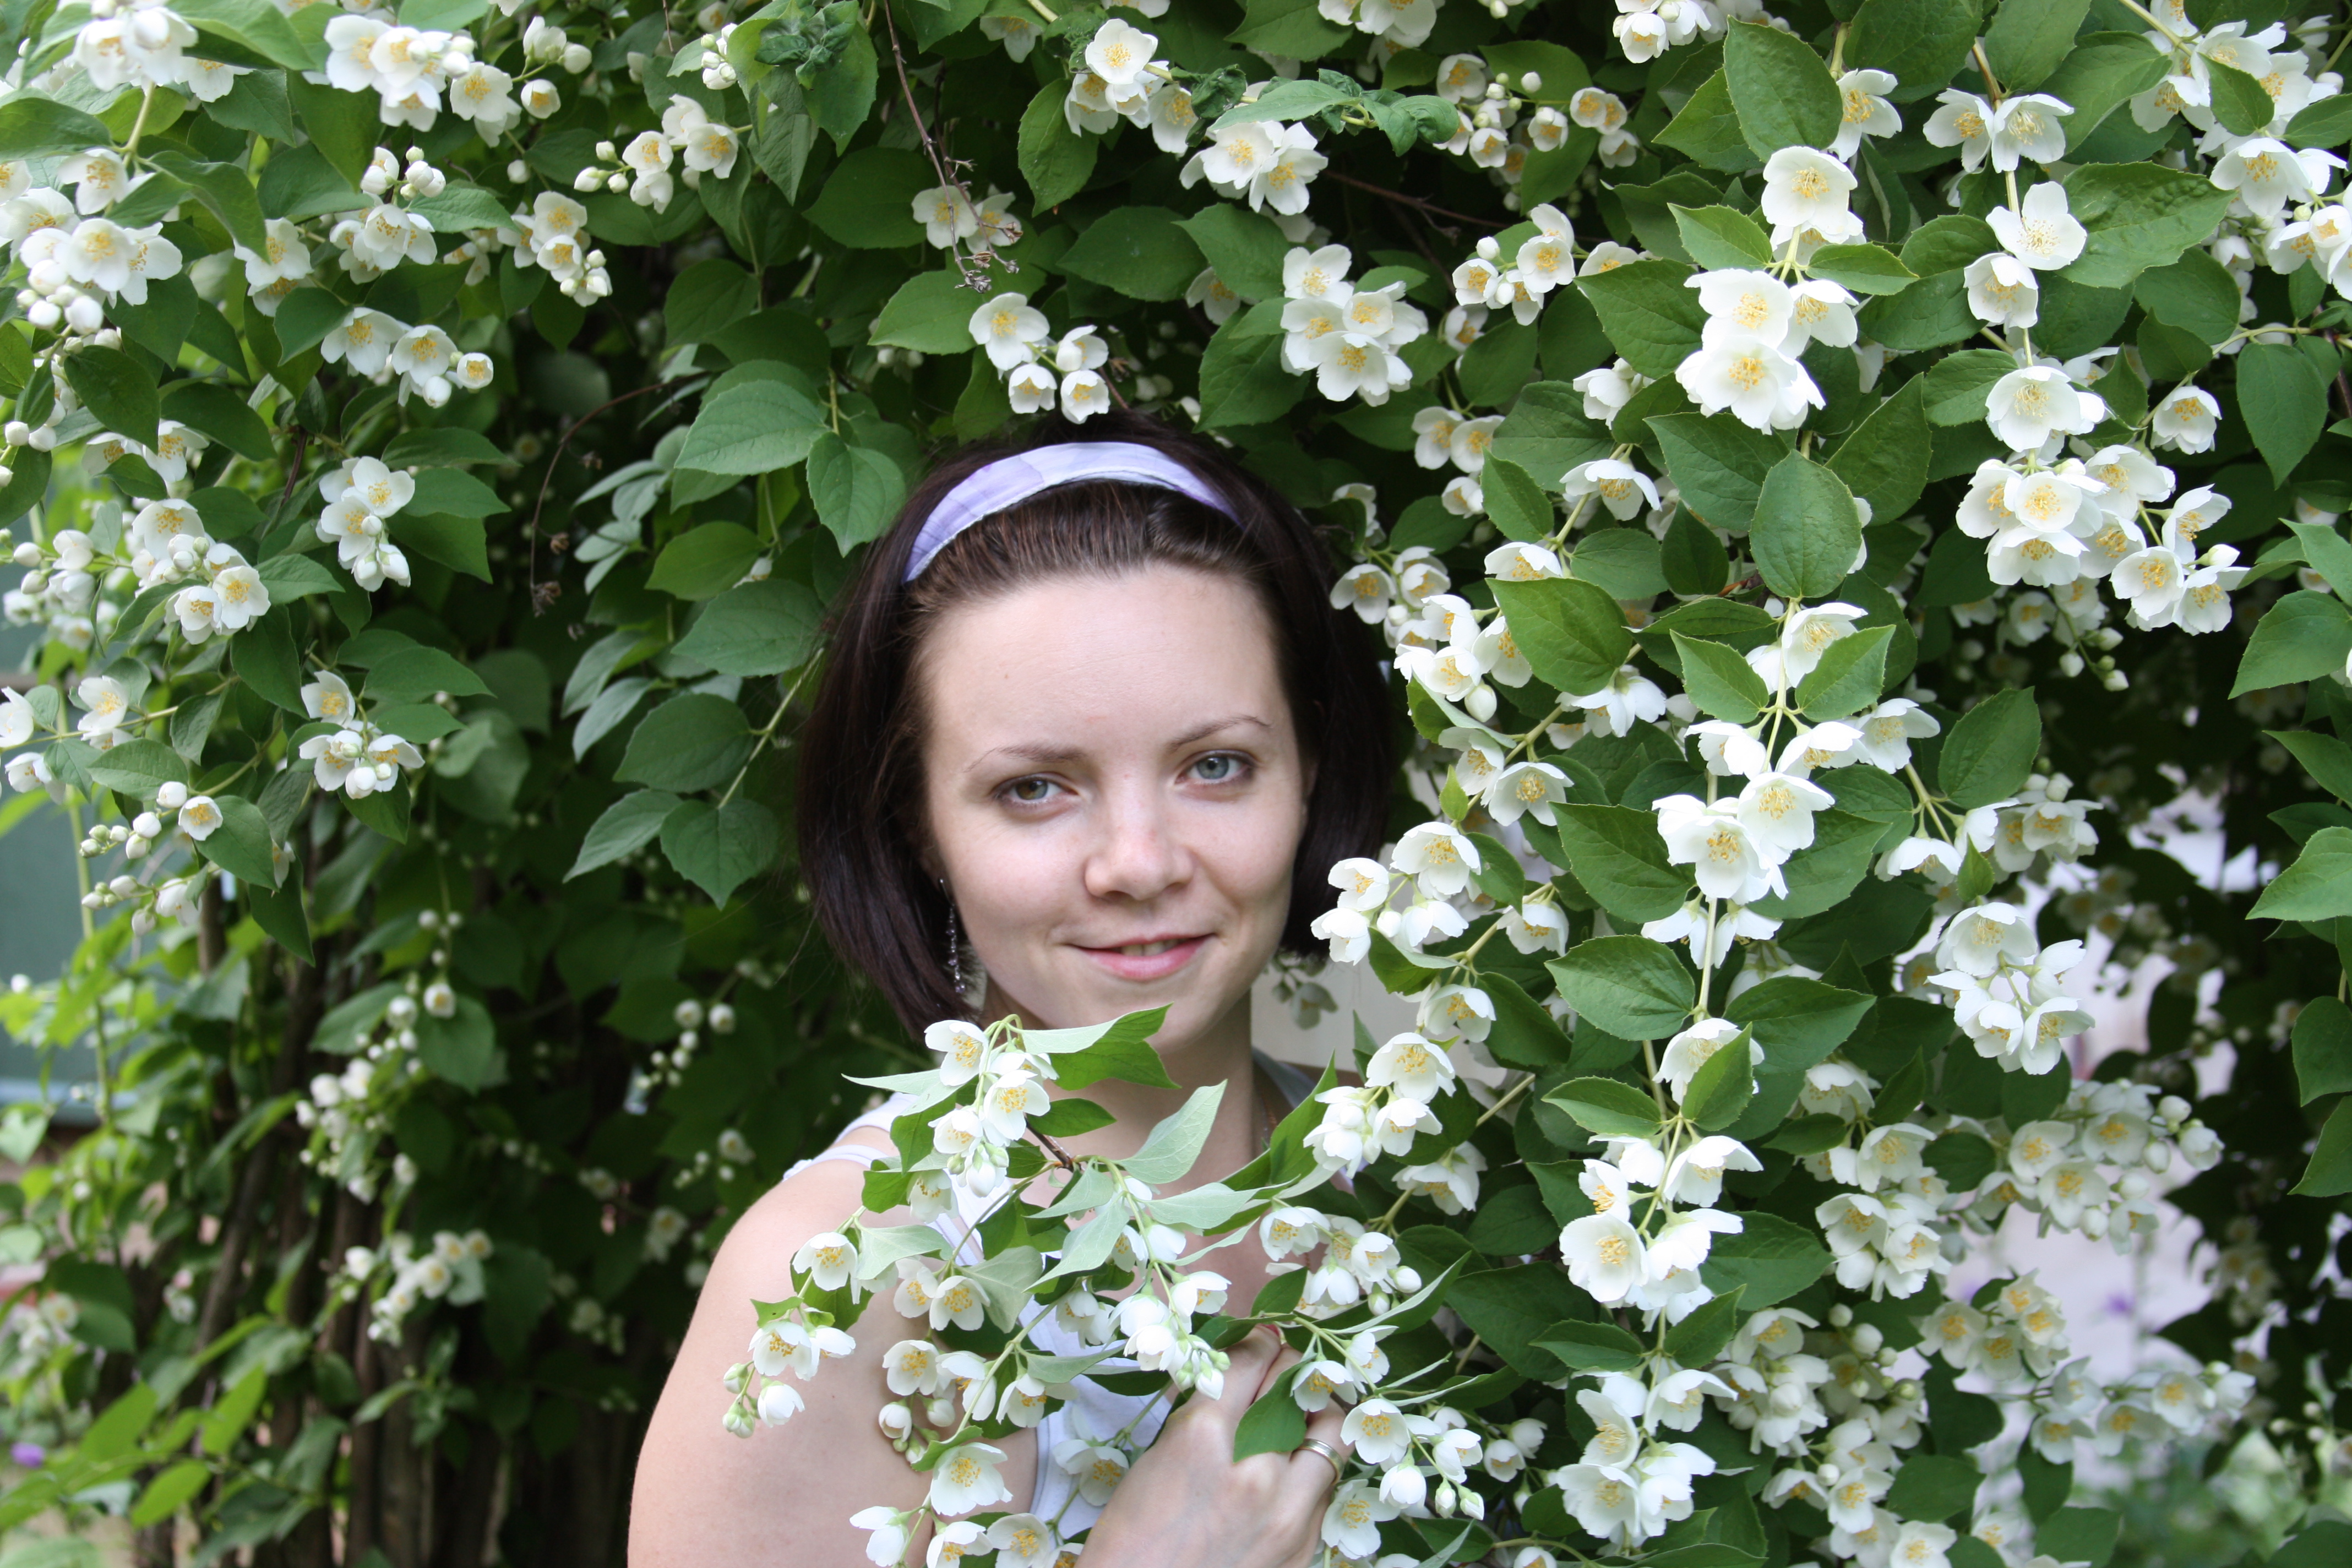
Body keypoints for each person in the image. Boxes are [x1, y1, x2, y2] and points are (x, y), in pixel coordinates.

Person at [630, 412, 1396, 1567]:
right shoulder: (835, 1287)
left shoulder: (1395, 1183)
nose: (1138, 862)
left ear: (1309, 774)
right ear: (919, 824)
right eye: (1035, 787)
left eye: (1216, 765)